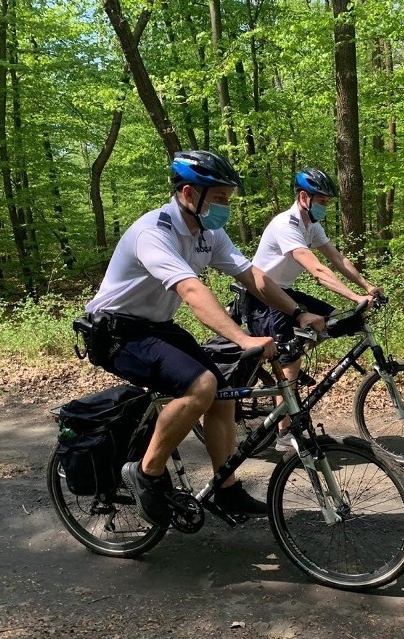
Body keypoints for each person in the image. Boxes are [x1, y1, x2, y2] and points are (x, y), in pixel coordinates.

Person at [84, 150, 324, 527]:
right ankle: (146, 473)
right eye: (219, 198)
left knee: (223, 391)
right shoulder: (155, 231)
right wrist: (244, 339)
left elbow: (254, 277)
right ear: (187, 194)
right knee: (202, 385)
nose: (225, 206)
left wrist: (298, 312)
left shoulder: (209, 232)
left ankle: (225, 489)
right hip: (115, 331)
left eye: (227, 198)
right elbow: (192, 291)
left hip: (155, 326)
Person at [247, 168, 382, 451]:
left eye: (328, 202)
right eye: (322, 200)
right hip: (264, 298)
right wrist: (354, 296)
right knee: (290, 360)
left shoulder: (311, 226)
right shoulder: (286, 224)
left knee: (336, 320)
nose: (325, 206)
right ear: (303, 197)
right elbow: (318, 270)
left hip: (285, 291)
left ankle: (293, 365)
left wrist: (367, 286)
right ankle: (284, 434)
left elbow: (337, 259)